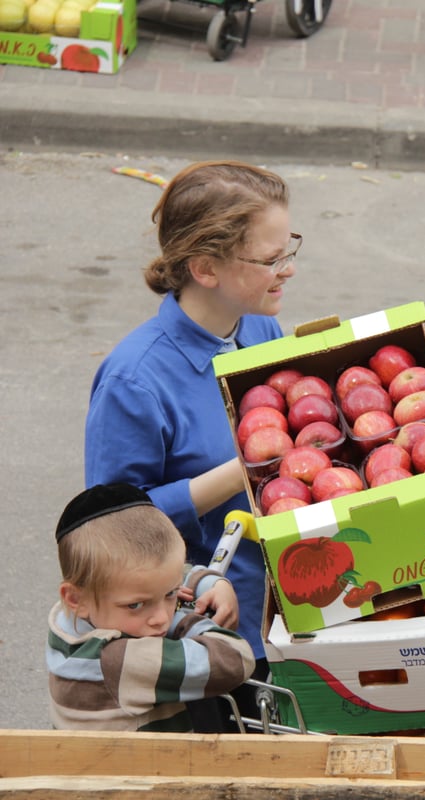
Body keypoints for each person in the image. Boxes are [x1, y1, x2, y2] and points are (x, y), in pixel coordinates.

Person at [83, 160, 297, 730]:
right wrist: (240, 472)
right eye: (271, 259)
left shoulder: (258, 328)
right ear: (205, 267)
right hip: (211, 631)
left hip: (288, 601)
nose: (289, 269)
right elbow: (112, 528)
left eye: (289, 248)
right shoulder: (135, 381)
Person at [47, 482, 256, 731]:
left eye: (170, 593)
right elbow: (235, 659)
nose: (160, 618)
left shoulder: (71, 615)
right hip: (144, 769)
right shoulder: (116, 660)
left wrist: (207, 582)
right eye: (135, 605)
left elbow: (157, 578)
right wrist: (186, 618)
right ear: (75, 599)